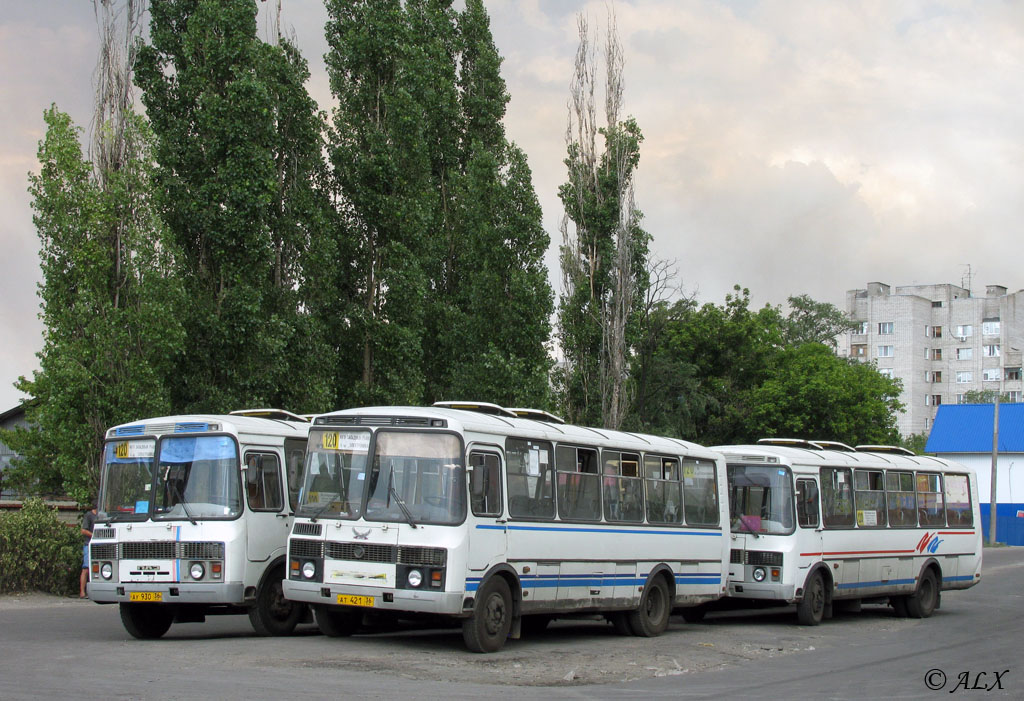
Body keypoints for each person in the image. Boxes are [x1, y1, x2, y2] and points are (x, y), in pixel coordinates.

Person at [80, 504, 97, 598]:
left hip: (98, 544)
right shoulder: (89, 516)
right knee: (86, 568)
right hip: (89, 544)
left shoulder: (101, 516)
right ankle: (82, 592)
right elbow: (83, 530)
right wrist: (94, 535)